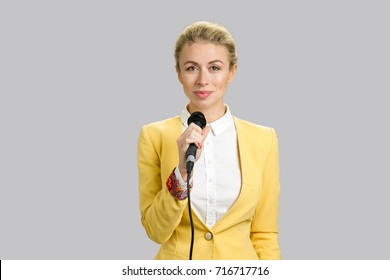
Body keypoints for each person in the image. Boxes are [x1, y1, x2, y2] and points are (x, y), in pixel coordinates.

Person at [137, 21, 281, 260]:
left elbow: (265, 234)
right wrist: (181, 174)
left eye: (214, 68)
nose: (203, 80)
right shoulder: (154, 136)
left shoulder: (264, 139)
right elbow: (155, 231)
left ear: (232, 72)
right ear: (179, 73)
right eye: (192, 68)